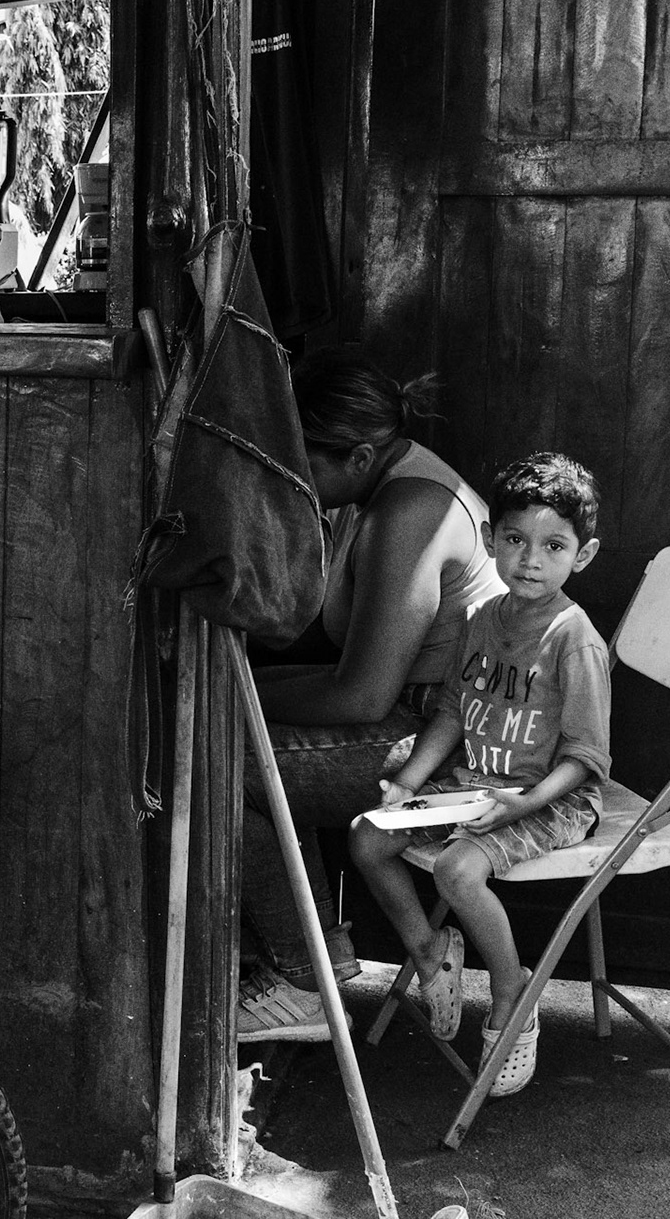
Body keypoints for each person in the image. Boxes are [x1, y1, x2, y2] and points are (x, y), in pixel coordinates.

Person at [234, 348, 506, 1044]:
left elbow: (359, 696)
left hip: (462, 751)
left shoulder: (410, 510)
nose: (291, 480)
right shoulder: (375, 489)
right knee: (217, 720)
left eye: (304, 464)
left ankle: (303, 981)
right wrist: (226, 692)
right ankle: (314, 961)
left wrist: (234, 703)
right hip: (418, 716)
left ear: (357, 455)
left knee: (222, 767)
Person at [349, 452, 611, 1097]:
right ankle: (429, 951)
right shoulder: (481, 619)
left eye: (554, 545)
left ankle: (511, 997)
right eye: (516, 540)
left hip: (552, 795)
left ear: (583, 555)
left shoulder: (573, 640)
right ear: (492, 536)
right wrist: (410, 783)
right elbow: (452, 711)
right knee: (367, 836)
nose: (531, 559)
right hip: (475, 782)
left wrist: (519, 808)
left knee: (457, 869)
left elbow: (587, 760)